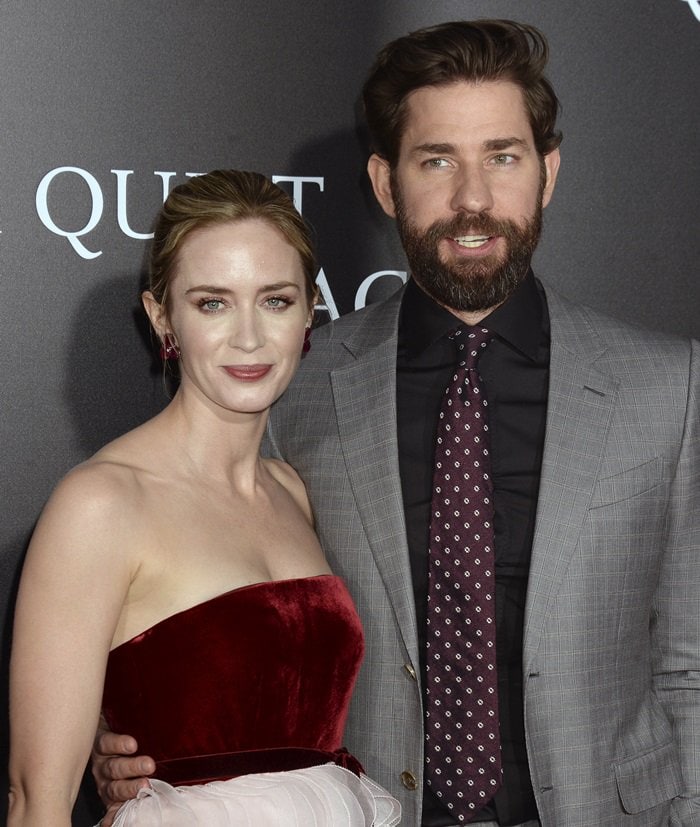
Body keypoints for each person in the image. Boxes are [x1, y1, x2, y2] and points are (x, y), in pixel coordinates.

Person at [93, 19, 700, 827]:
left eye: (502, 157)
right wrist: (134, 737)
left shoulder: (668, 387)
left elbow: (692, 665)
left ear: (548, 172)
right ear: (385, 184)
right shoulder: (294, 390)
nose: (473, 198)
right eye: (437, 160)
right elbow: (217, 608)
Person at [8, 169, 401, 827]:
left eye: (275, 300)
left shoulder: (292, 491)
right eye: (212, 303)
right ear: (162, 315)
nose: (248, 337)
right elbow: (36, 801)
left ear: (310, 309)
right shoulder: (102, 503)